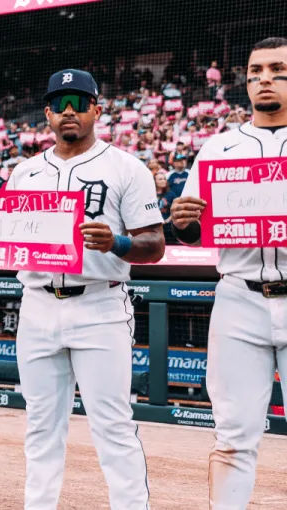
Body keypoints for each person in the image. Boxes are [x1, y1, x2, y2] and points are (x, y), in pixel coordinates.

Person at [0, 69, 162, 509]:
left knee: (112, 424)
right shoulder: (25, 172)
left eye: (80, 102)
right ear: (46, 113)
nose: (70, 111)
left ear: (97, 110)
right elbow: (10, 241)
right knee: (42, 424)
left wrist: (119, 242)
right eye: (60, 103)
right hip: (38, 306)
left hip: (100, 303)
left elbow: (155, 244)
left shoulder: (127, 167)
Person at [169, 36, 287, 510]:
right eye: (256, 71)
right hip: (239, 296)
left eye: (278, 70)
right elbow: (194, 231)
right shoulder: (219, 147)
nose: (264, 79)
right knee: (234, 434)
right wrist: (183, 223)